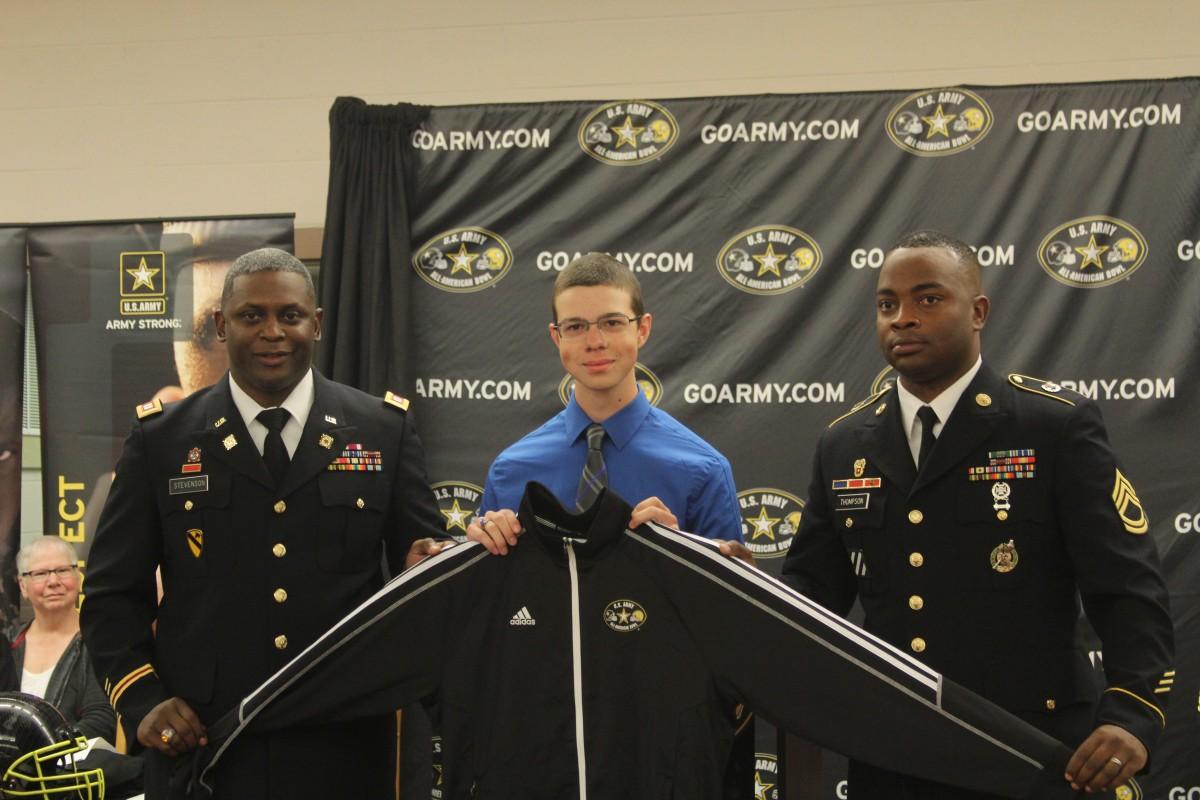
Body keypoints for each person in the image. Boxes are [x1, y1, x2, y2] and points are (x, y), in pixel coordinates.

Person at [782, 230, 1174, 797]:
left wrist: (1132, 713)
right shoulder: (844, 443)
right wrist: (739, 582)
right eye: (887, 304)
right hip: (894, 754)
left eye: (929, 299)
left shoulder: (1050, 426)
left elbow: (1127, 585)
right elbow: (813, 590)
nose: (903, 318)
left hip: (1031, 748)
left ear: (978, 311)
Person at [80, 247, 457, 799]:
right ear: (219, 325)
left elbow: (422, 575)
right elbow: (112, 594)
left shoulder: (381, 431)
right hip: (206, 746)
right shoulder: (163, 440)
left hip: (346, 745)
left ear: (318, 323)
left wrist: (424, 564)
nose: (272, 331)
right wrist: (142, 699)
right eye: (251, 316)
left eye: (290, 315)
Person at [469, 253, 748, 558]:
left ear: (642, 329)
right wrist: (484, 542)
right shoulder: (510, 471)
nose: (595, 341)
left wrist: (680, 554)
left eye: (612, 322)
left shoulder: (704, 470)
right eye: (575, 327)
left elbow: (730, 602)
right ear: (556, 337)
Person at [7, 537, 115, 742]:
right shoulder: (7, 644)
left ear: (78, 576)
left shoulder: (99, 642)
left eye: (63, 571)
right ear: (23, 586)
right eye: (40, 573)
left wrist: (47, 751)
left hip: (73, 769)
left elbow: (102, 718)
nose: (53, 581)